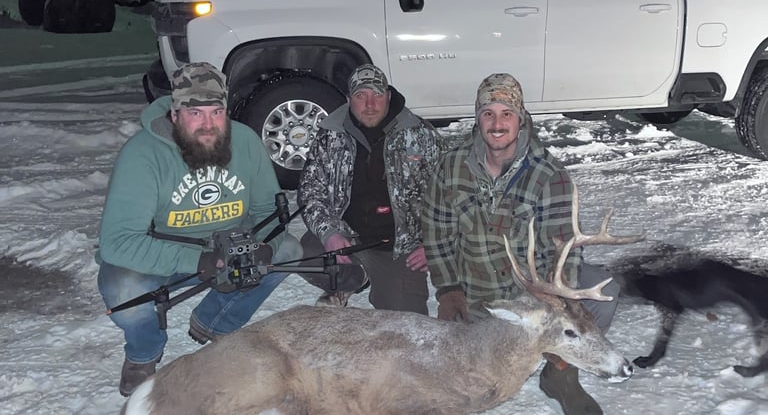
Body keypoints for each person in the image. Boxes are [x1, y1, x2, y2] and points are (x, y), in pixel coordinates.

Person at [96, 62, 301, 396]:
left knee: (289, 251)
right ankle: (144, 352)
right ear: (175, 115)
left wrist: (264, 246)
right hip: (163, 260)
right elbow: (116, 243)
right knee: (123, 289)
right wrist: (198, 260)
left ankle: (215, 322)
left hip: (230, 252)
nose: (208, 125)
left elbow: (269, 211)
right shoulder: (142, 155)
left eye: (217, 112)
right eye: (195, 113)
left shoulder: (246, 141)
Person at [421, 73, 619, 415]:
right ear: (478, 118)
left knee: (600, 297)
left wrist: (560, 304)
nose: (497, 124)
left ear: (521, 118)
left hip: (532, 296)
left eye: (506, 114)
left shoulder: (549, 175)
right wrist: (448, 290)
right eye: (488, 114)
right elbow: (437, 232)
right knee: (460, 383)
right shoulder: (452, 166)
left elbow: (564, 249)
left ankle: (561, 377)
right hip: (476, 295)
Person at [298, 64, 444, 314]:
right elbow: (310, 192)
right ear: (348, 99)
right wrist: (330, 234)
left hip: (400, 248)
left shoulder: (420, 135)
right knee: (305, 251)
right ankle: (353, 277)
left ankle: (365, 277)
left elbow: (448, 194)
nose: (370, 104)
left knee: (407, 325)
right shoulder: (330, 135)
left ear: (388, 96)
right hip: (348, 239)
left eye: (377, 95)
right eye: (361, 96)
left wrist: (433, 243)